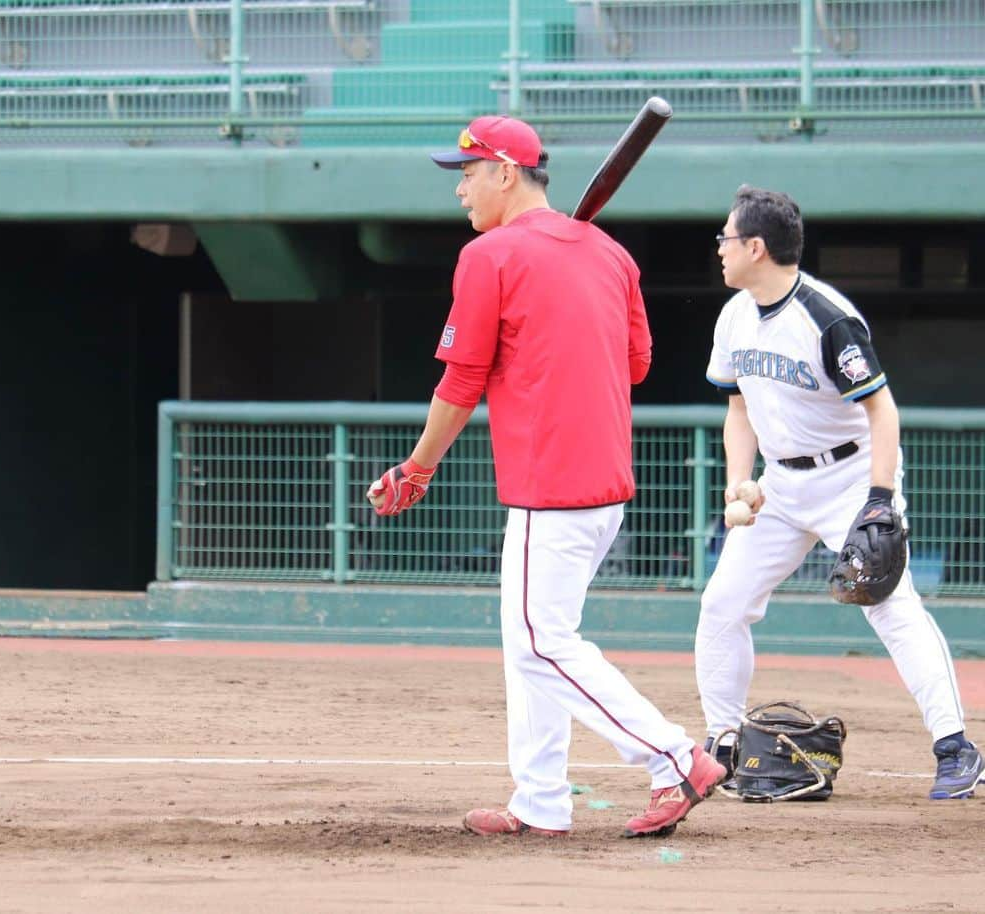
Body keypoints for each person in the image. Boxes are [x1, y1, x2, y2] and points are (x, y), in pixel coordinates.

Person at [366, 115, 725, 838]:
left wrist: (417, 467)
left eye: (467, 173)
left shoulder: (490, 256)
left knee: (539, 643)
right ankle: (539, 801)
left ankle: (674, 757)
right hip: (602, 486)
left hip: (550, 482)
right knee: (528, 639)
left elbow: (462, 380)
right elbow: (636, 365)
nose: (460, 189)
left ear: (505, 172)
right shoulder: (612, 256)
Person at [697, 184, 984, 800]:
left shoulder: (827, 317)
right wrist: (737, 481)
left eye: (725, 237)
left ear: (755, 246)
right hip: (780, 484)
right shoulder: (735, 314)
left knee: (891, 607)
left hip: (850, 477)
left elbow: (883, 411)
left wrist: (880, 498)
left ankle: (955, 745)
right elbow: (739, 408)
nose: (718, 248)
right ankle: (721, 744)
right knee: (723, 602)